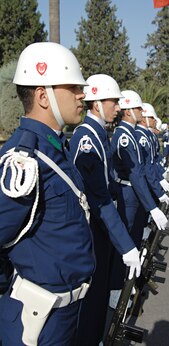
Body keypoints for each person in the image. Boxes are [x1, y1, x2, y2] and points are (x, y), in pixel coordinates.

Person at [0, 42, 96, 346]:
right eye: (74, 87)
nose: (83, 94)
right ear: (43, 96)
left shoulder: (55, 149)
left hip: (67, 315)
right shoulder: (24, 161)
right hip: (37, 323)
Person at [68, 75, 141, 345]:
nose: (118, 107)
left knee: (100, 299)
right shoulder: (87, 138)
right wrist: (126, 245)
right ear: (97, 104)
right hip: (94, 228)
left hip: (103, 226)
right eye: (113, 101)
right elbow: (98, 196)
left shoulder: (98, 134)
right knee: (92, 301)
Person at [109, 90, 169, 308]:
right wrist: (152, 205)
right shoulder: (125, 136)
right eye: (137, 109)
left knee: (134, 239)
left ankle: (127, 281)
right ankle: (119, 287)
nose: (141, 113)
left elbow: (144, 168)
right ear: (127, 111)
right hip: (127, 193)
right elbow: (135, 173)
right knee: (126, 242)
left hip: (134, 192)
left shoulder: (132, 134)